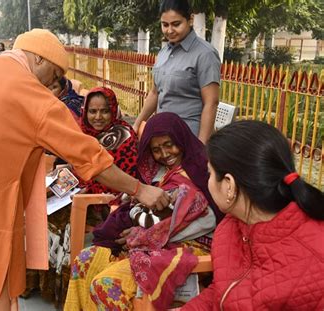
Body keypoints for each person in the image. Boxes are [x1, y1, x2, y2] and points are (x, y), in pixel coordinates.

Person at [0, 28, 169, 309]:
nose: (52, 85)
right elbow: (91, 158)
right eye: (54, 76)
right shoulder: (32, 96)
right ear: (40, 60)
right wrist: (140, 189)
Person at [65, 112, 218, 311]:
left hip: (186, 247)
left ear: (181, 139)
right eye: (156, 149)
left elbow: (208, 220)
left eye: (169, 144)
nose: (164, 154)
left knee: (106, 285)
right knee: (84, 261)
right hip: (146, 243)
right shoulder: (157, 171)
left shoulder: (201, 170)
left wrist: (144, 235)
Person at [181, 120, 324, 310]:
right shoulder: (231, 226)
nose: (207, 181)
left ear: (229, 185)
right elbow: (222, 292)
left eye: (209, 174)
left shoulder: (315, 260)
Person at [23, 86, 139, 307]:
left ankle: (62, 290)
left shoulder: (123, 136)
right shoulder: (85, 134)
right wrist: (65, 175)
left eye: (104, 111)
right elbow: (80, 168)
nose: (98, 117)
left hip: (106, 202)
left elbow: (121, 177)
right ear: (85, 112)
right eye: (92, 111)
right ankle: (37, 281)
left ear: (113, 111)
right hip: (81, 192)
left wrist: (84, 185)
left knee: (59, 218)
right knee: (38, 207)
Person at [133, 0, 221, 144]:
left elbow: (211, 103)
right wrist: (136, 125)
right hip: (162, 134)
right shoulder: (163, 52)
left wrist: (201, 145)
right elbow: (155, 93)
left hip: (188, 135)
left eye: (176, 24)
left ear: (190, 20)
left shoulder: (205, 54)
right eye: (165, 25)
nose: (169, 30)